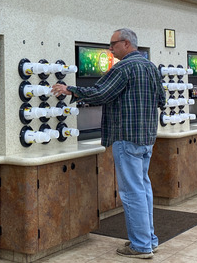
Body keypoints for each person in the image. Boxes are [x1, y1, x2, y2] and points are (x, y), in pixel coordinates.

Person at [52, 28, 165, 259]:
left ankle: (141, 246)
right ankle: (149, 239)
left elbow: (100, 93)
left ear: (125, 44)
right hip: (146, 138)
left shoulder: (123, 68)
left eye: (112, 45)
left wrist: (69, 90)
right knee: (143, 189)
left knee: (132, 192)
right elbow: (162, 99)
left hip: (126, 137)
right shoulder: (151, 67)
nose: (110, 50)